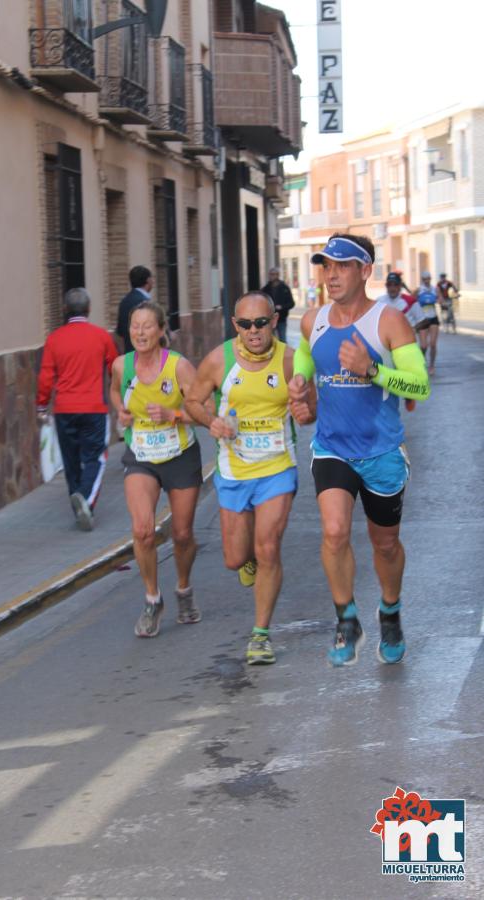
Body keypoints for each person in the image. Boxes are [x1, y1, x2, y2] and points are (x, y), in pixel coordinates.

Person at [289, 233, 430, 668]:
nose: (331, 274)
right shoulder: (313, 322)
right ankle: (346, 618)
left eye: (342, 265)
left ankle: (389, 610)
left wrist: (371, 370)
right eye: (326, 266)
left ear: (364, 271)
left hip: (382, 450)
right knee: (334, 531)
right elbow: (304, 371)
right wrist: (300, 395)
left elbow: (419, 385)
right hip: (332, 448)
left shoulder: (388, 322)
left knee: (384, 544)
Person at [185, 291, 316, 665]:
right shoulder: (218, 361)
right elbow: (192, 401)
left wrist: (303, 406)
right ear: (235, 326)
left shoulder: (291, 362)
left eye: (261, 322)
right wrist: (212, 422)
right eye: (246, 324)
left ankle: (260, 635)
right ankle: (248, 563)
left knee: (268, 547)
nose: (254, 331)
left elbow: (310, 414)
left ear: (274, 321)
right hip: (233, 470)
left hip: (277, 468)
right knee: (234, 558)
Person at [110, 301, 203, 638]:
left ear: (162, 330)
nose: (140, 332)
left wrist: (174, 415)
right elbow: (114, 393)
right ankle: (152, 599)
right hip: (142, 454)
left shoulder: (178, 367)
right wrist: (121, 411)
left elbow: (204, 412)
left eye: (147, 326)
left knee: (181, 535)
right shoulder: (122, 366)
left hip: (179, 454)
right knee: (143, 531)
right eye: (135, 326)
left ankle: (183, 588)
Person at [37, 288, 118, 531]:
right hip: (94, 408)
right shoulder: (101, 336)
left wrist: (42, 404)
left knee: (71, 459)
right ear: (89, 309)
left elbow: (45, 376)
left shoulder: (54, 339)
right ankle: (86, 499)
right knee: (96, 457)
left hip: (64, 410)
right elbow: (116, 367)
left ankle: (78, 502)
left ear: (64, 310)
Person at [116, 266, 154, 354]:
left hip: (129, 354)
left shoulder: (124, 301)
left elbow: (119, 333)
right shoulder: (145, 303)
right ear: (148, 280)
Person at [261, 267, 295, 343]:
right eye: (270, 274)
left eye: (274, 274)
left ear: (278, 275)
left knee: (282, 340)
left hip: (281, 318)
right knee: (269, 341)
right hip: (269, 319)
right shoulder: (265, 289)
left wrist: (282, 307)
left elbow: (291, 303)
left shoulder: (284, 288)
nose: (272, 276)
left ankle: (283, 354)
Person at [415, 271, 439, 375]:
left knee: (433, 344)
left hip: (433, 318)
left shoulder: (435, 289)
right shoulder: (418, 290)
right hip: (422, 319)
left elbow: (440, 299)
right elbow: (411, 301)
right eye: (424, 279)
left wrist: (442, 302)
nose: (426, 280)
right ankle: (421, 362)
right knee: (424, 346)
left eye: (428, 278)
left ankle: (432, 366)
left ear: (430, 278)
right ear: (422, 279)